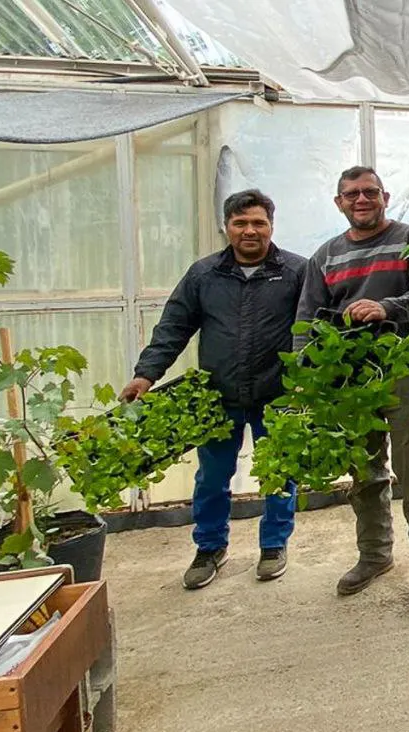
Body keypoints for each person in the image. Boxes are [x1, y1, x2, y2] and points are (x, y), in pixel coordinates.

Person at [121, 190, 306, 590]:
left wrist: (310, 387)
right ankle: (209, 548)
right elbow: (173, 328)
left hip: (278, 394)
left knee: (278, 474)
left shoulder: (296, 271)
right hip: (219, 395)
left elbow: (313, 329)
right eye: (240, 223)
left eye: (258, 222)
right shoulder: (204, 274)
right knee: (211, 477)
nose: (250, 230)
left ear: (271, 226)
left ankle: (274, 545)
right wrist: (145, 375)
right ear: (227, 227)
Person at [297, 166, 409, 611]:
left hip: (403, 372)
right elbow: (307, 319)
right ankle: (375, 555)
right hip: (349, 378)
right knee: (363, 473)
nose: (361, 200)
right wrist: (309, 378)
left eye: (369, 192)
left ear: (385, 196)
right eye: (351, 194)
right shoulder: (325, 256)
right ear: (339, 202)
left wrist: (386, 307)